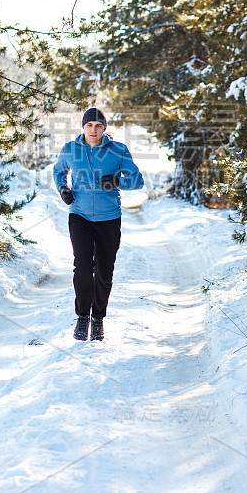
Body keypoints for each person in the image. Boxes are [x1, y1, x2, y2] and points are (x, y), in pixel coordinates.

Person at [53, 107, 144, 341]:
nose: (94, 130)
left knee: (104, 271)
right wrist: (63, 189)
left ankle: (98, 319)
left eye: (98, 126)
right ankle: (83, 317)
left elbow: (137, 180)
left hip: (109, 218)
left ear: (104, 128)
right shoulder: (71, 150)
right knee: (83, 268)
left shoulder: (118, 151)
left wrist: (116, 181)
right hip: (80, 215)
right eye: (89, 125)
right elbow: (58, 172)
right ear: (83, 127)